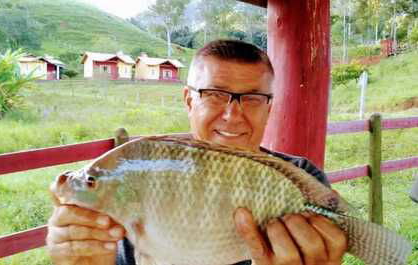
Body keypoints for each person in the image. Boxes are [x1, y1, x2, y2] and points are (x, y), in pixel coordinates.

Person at [47, 40, 347, 265]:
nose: (232, 115)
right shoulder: (133, 186)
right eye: (214, 95)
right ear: (189, 100)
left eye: (253, 98)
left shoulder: (300, 178)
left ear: (269, 108)